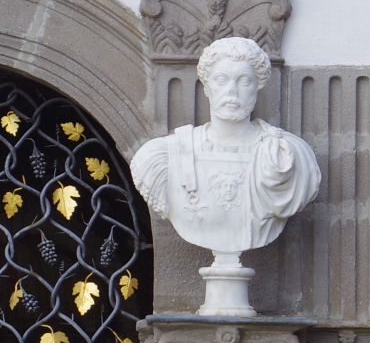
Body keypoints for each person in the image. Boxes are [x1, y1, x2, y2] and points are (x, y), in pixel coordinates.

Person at [131, 36, 321, 271]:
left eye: (244, 81)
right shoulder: (163, 156)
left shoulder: (286, 154)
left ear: (257, 86)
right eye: (221, 79)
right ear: (207, 86)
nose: (232, 91)